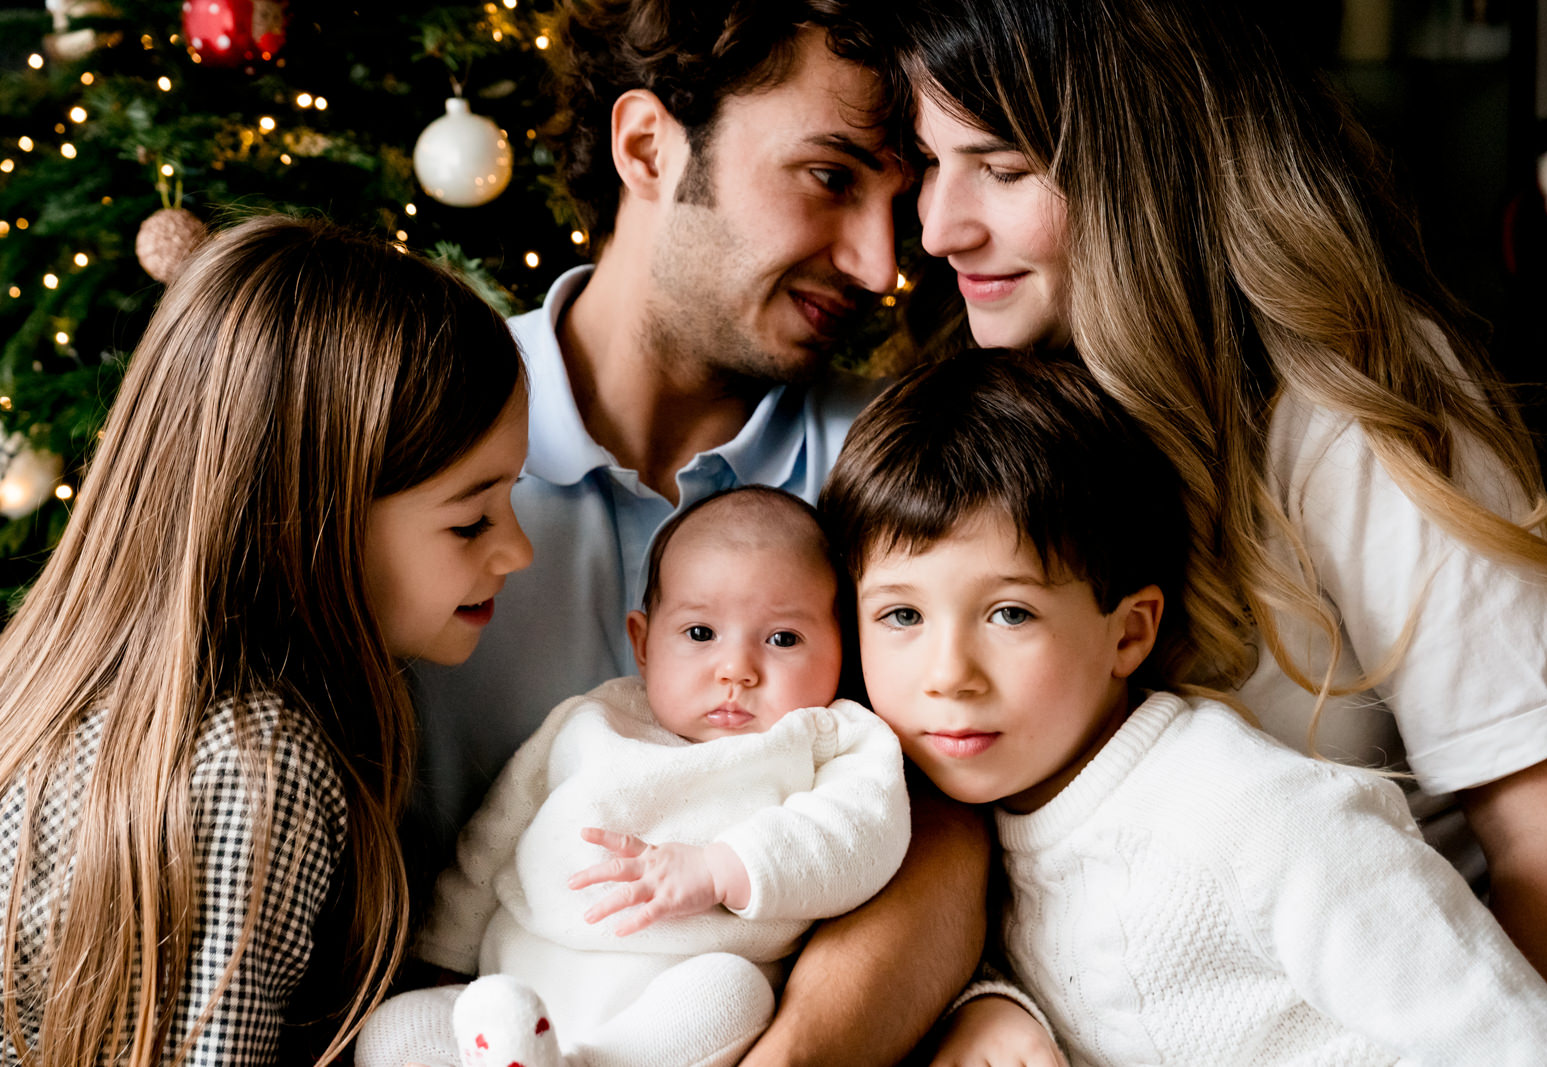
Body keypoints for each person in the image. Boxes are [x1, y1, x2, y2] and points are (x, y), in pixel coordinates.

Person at [894, 0, 1547, 1045]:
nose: (937, 225)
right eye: (927, 160)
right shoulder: (977, 406)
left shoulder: (1355, 410)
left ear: (1148, 162)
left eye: (1001, 168)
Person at [408, 1, 990, 1061]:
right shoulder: (413, 445)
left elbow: (956, 828)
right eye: (829, 176)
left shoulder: (894, 465)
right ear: (647, 146)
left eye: (899, 205)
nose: (877, 264)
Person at [819, 349, 1547, 1065]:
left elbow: (1519, 1044)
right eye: (902, 617)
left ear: (1128, 633)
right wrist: (992, 1002)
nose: (948, 674)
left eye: (1010, 614)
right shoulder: (966, 833)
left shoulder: (1250, 814)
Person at [0, 215, 534, 1067]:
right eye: (472, 519)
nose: (518, 549)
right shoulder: (262, 764)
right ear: (307, 520)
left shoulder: (37, 678)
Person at [358, 487, 911, 1067]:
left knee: (733, 994)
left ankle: (582, 1062)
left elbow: (862, 837)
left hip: (665, 1005)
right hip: (523, 978)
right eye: (701, 633)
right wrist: (447, 950)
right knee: (394, 1028)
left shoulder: (831, 738)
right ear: (643, 645)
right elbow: (495, 837)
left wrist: (722, 868)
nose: (736, 670)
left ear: (843, 650)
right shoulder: (592, 721)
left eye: (782, 639)